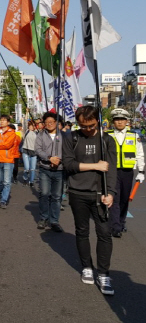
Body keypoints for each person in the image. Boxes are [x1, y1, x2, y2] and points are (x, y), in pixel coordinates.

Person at [62, 105, 117, 295]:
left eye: (91, 125)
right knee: (82, 231)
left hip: (100, 194)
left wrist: (110, 192)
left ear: (97, 121)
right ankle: (87, 266)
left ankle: (103, 273)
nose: (88, 129)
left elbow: (112, 169)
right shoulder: (71, 137)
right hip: (78, 192)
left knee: (104, 233)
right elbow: (68, 165)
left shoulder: (106, 139)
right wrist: (95, 165)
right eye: (83, 126)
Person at [106, 108, 144, 238]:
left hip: (128, 172)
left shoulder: (134, 136)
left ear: (126, 121)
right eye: (117, 120)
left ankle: (122, 222)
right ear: (113, 122)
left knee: (124, 198)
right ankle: (115, 226)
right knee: (115, 198)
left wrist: (141, 171)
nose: (120, 122)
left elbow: (139, 154)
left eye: (122, 119)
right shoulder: (107, 135)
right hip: (112, 171)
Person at [35, 111, 64, 232]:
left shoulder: (65, 136)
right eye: (46, 122)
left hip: (60, 170)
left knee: (56, 197)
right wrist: (49, 158)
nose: (49, 124)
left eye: (51, 122)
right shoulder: (41, 135)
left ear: (57, 123)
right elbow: (38, 150)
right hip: (44, 169)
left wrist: (58, 160)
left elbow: (68, 150)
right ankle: (43, 218)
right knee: (44, 194)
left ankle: (54, 221)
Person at [21, 121, 38, 187]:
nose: (31, 127)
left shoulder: (37, 133)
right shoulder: (26, 131)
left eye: (33, 126)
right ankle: (25, 178)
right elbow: (23, 123)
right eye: (30, 125)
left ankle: (31, 181)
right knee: (27, 168)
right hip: (26, 151)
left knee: (33, 169)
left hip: (34, 153)